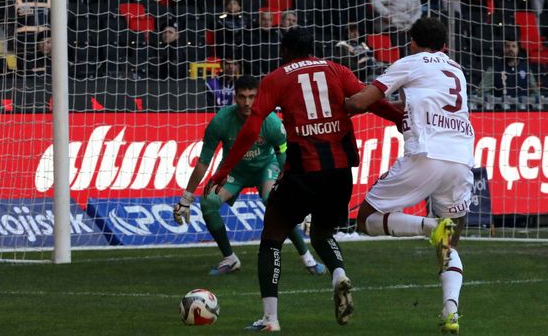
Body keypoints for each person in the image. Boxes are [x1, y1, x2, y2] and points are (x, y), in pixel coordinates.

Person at [205, 27, 403, 331]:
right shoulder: (336, 69)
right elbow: (369, 99)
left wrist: (224, 169)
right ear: (312, 48)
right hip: (339, 173)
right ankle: (338, 274)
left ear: (284, 50)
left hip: (303, 172)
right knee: (322, 234)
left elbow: (250, 129)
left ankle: (270, 319)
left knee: (271, 240)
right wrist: (397, 118)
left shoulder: (277, 77)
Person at [344, 17, 473, 334]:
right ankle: (451, 311)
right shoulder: (456, 69)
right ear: (444, 45)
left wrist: (336, 103)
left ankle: (430, 226)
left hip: (425, 156)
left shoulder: (410, 62)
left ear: (412, 41)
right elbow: (412, 105)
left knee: (367, 219)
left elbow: (361, 101)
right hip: (461, 161)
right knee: (449, 244)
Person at [176, 75, 328, 277]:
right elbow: (203, 160)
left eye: (251, 97)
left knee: (276, 203)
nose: (246, 102)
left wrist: (296, 195)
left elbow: (284, 158)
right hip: (234, 171)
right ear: (234, 97)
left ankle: (307, 257)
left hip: (266, 167)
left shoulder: (271, 122)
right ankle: (230, 259)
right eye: (242, 97)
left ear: (259, 97)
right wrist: (186, 198)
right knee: (208, 203)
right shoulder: (220, 121)